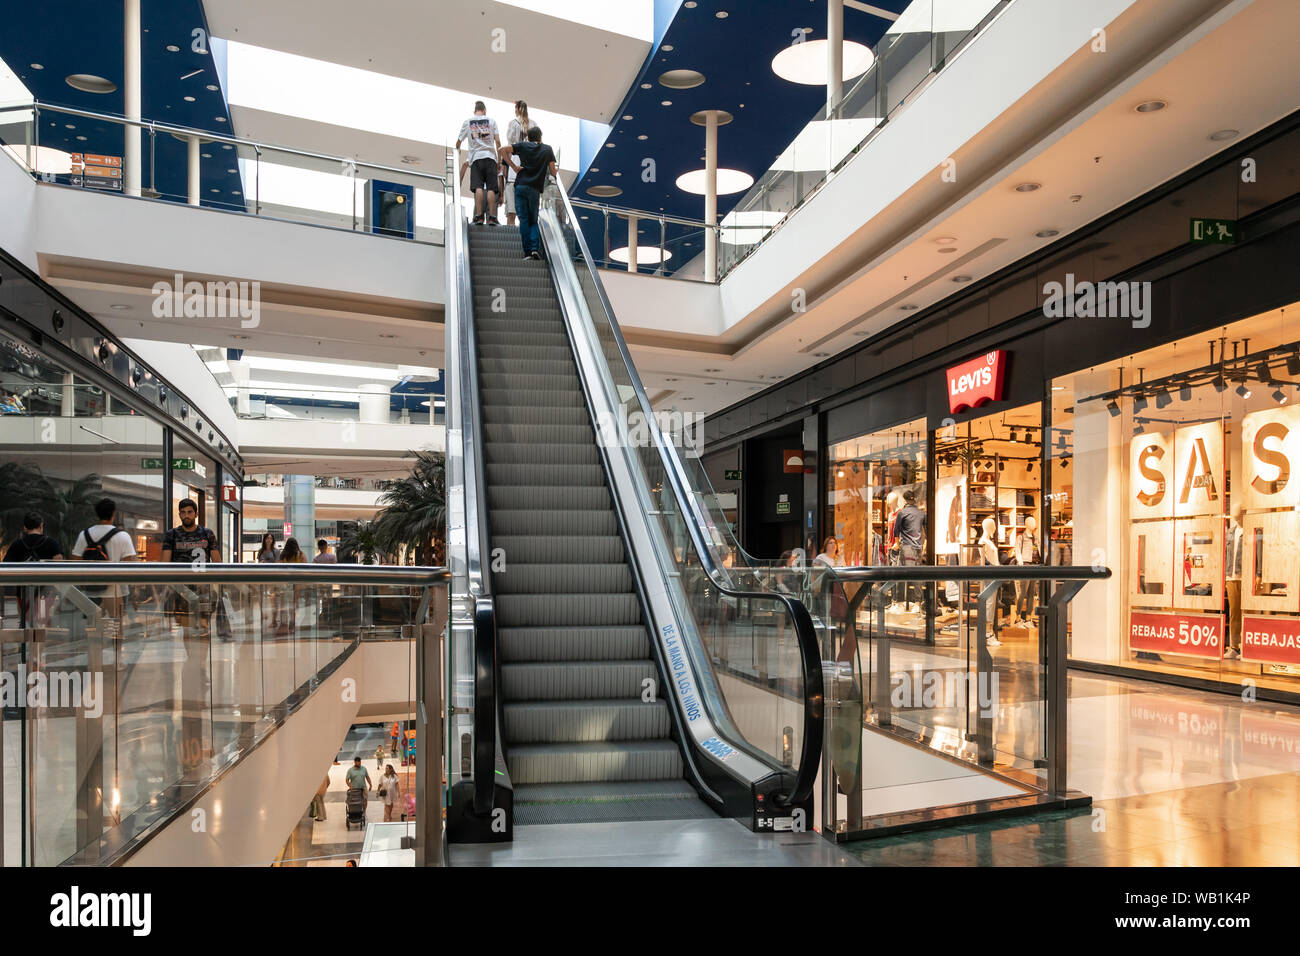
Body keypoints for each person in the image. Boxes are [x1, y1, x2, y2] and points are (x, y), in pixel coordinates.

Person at [161, 499, 221, 771]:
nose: (185, 515)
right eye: (182, 512)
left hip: (204, 590)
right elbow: (165, 565)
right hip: (183, 593)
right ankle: (194, 663)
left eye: (189, 512)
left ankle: (200, 665)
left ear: (196, 513)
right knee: (188, 630)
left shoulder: (207, 534)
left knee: (204, 630)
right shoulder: (172, 535)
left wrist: (218, 586)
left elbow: (218, 563)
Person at [71, 497, 137, 620]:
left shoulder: (84, 535)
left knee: (93, 628)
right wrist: (134, 590)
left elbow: (75, 561)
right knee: (117, 628)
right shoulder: (123, 536)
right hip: (116, 591)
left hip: (91, 590)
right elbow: (129, 565)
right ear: (113, 513)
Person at [500, 125, 557, 260]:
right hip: (535, 189)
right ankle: (534, 250)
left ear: (529, 137)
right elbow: (553, 171)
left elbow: (501, 149)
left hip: (520, 186)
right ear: (540, 137)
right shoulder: (547, 149)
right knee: (533, 221)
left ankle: (527, 253)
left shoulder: (523, 146)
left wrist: (513, 167)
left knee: (523, 220)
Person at [3, 511, 63, 628]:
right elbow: (59, 563)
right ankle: (41, 643)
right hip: (46, 590)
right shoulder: (52, 543)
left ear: (25, 527)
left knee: (25, 621)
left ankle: (25, 642)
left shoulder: (17, 544)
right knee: (43, 621)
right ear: (41, 526)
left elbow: (6, 565)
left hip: (23, 590)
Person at [455, 100, 501, 225]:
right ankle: (492, 217)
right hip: (490, 157)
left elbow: (459, 141)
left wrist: (457, 150)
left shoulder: (468, 122)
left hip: (476, 158)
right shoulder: (492, 121)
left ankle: (479, 216)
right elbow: (498, 142)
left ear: (475, 111)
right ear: (484, 110)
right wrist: (499, 160)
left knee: (478, 187)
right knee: (491, 188)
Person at [501, 100, 536, 227]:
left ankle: (509, 238)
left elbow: (509, 144)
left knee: (511, 213)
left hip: (513, 172)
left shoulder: (513, 123)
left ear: (516, 109)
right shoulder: (533, 124)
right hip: (528, 174)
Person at [892, 489, 927, 612]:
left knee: (900, 575)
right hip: (918, 547)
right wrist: (924, 547)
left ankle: (900, 602)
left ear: (905, 499)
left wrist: (897, 544)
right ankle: (917, 602)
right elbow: (927, 533)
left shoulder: (902, 513)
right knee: (917, 575)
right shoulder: (921, 513)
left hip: (906, 547)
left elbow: (896, 531)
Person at [1012, 514, 1041, 626]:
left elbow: (1039, 551)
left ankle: (1028, 618)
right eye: (1031, 522)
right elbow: (1017, 551)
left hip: (1035, 565)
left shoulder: (1036, 538)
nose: (1034, 524)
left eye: (1034, 522)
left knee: (1031, 593)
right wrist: (1020, 563)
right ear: (1026, 524)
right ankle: (1018, 617)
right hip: (1025, 565)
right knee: (1022, 593)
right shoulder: (1021, 537)